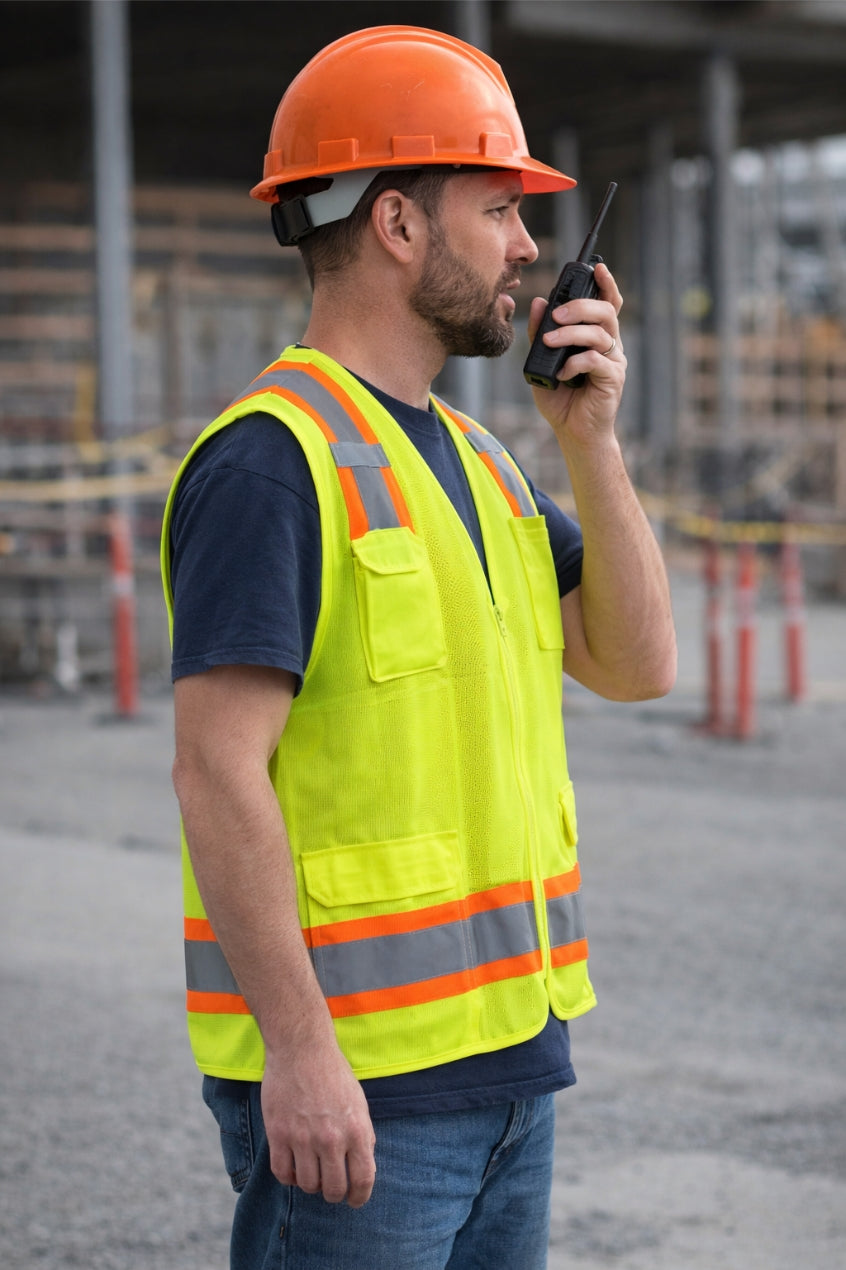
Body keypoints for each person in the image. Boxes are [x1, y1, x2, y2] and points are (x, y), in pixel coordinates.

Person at [160, 24, 677, 1270]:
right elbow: (216, 774)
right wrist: (299, 1053)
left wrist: (589, 442)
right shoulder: (272, 462)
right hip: (365, 1095)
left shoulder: (485, 460)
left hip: (509, 1071)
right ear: (397, 224)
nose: (528, 248)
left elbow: (637, 662)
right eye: (499, 209)